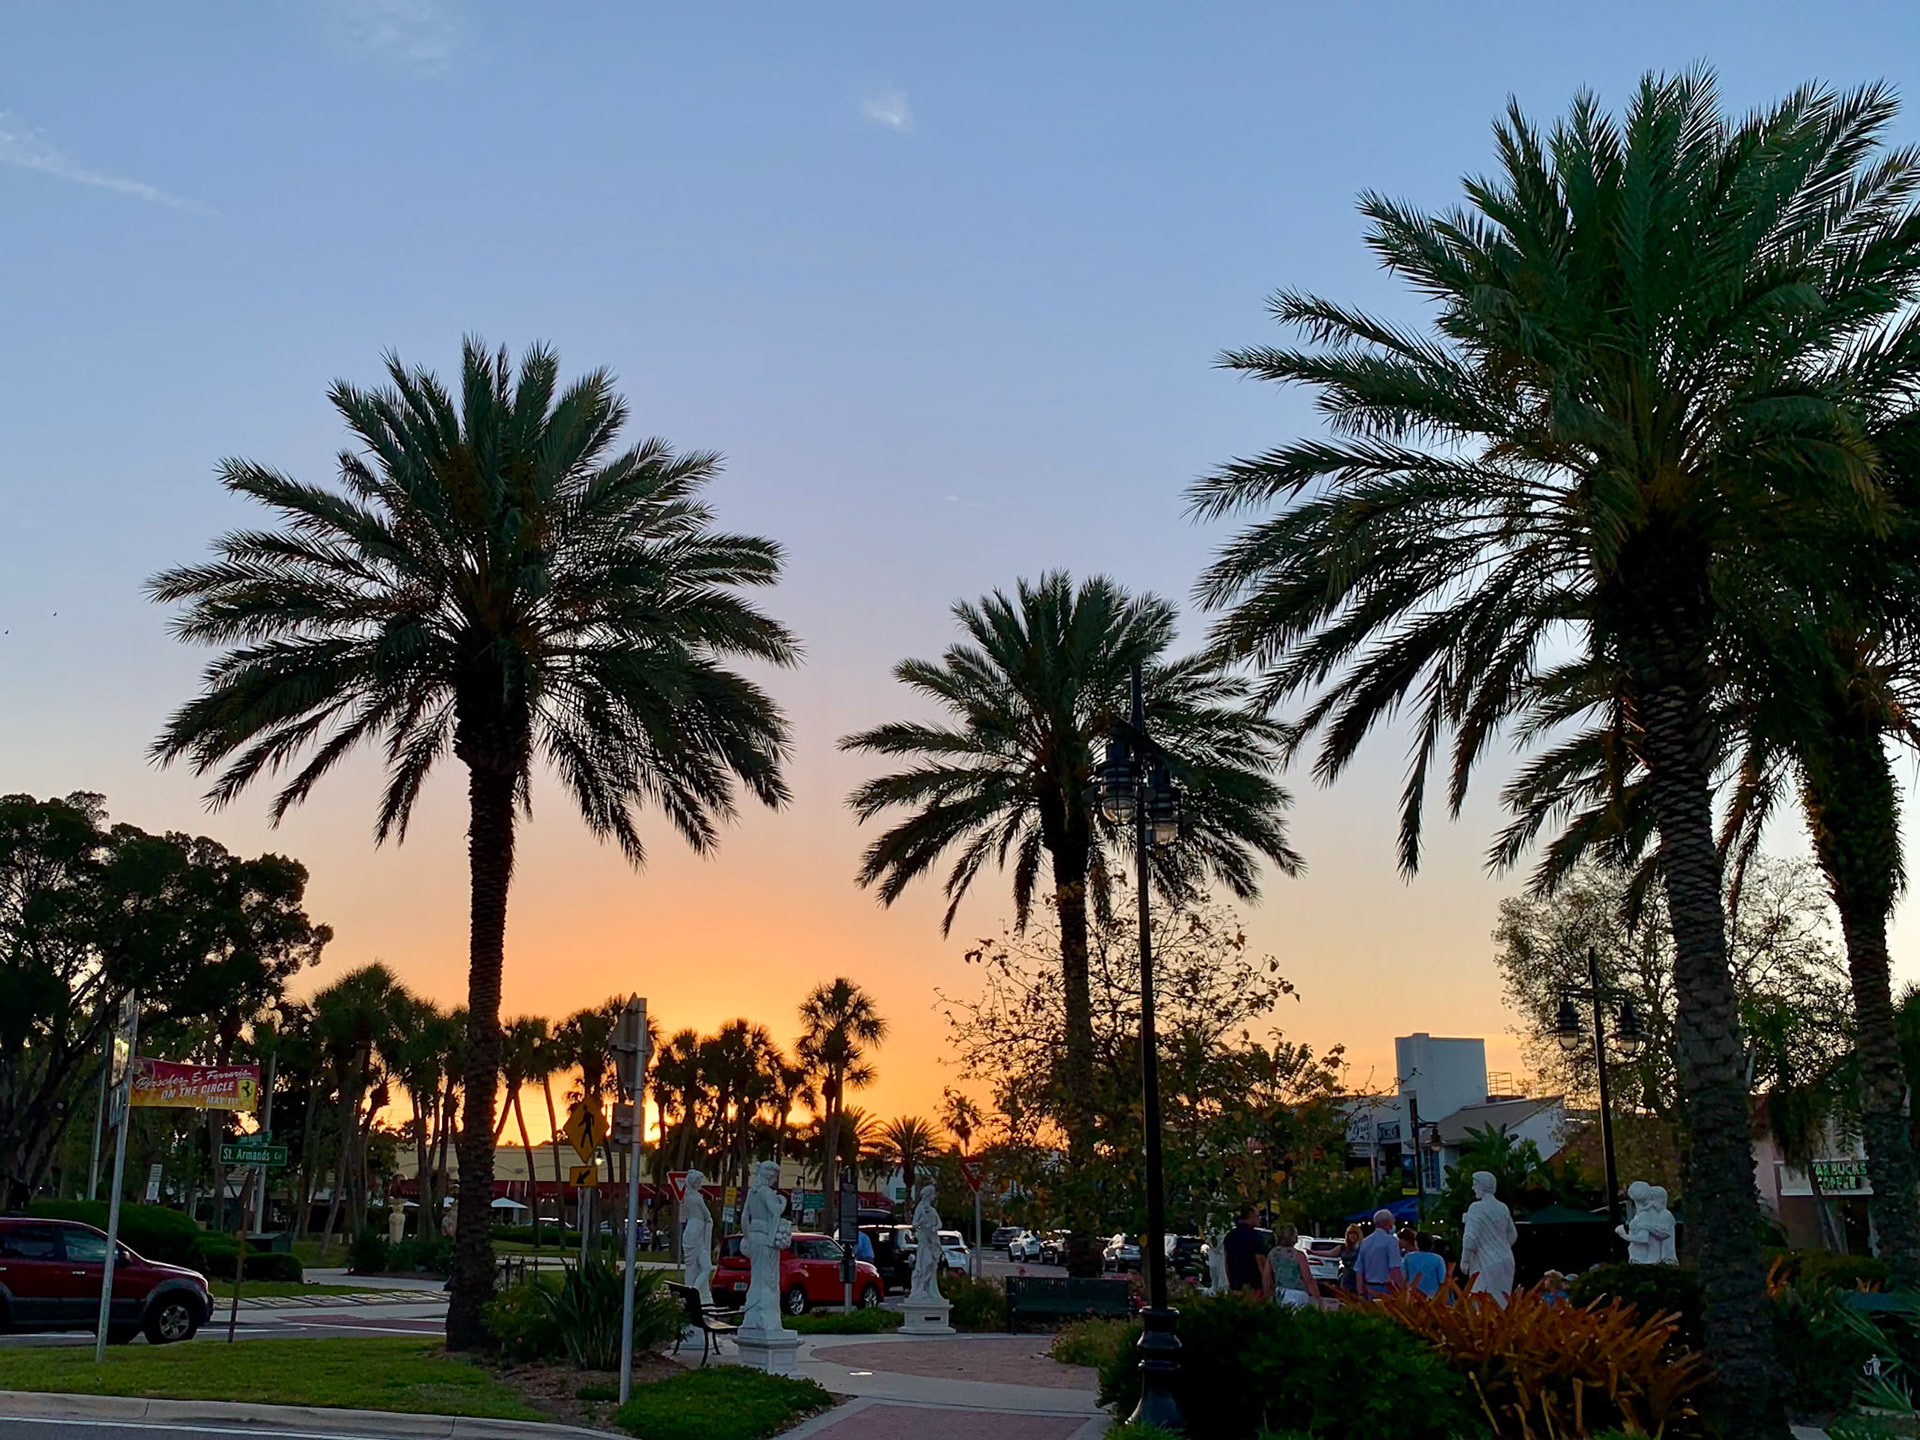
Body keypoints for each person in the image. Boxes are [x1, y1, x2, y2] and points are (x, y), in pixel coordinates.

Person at [1222, 1204, 1272, 1297]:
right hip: (1254, 1285)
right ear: (1251, 1217)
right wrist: (1267, 1285)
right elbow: (1261, 1262)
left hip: (1236, 1285)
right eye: (1257, 1216)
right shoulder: (1255, 1236)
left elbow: (1226, 1262)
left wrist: (1231, 1282)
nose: (1259, 1219)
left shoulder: (1230, 1236)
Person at [1353, 1208, 1404, 1298]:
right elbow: (1394, 1268)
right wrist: (1402, 1288)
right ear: (1387, 1223)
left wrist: (1360, 1292)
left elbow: (1359, 1270)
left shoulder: (1365, 1242)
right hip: (1387, 1288)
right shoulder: (1391, 1241)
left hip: (1369, 1288)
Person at [1267, 1224, 1319, 1307]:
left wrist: (1268, 1295)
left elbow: (1266, 1277)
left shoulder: (1272, 1254)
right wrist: (1318, 1298)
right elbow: (1308, 1278)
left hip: (1281, 1292)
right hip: (1298, 1293)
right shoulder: (1299, 1255)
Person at [1402, 1232, 1447, 1296]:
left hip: (1412, 1295)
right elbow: (1442, 1279)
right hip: (1433, 1297)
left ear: (1416, 1243)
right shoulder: (1438, 1259)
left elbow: (1403, 1276)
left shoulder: (1408, 1257)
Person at [1337, 1223, 1364, 1295]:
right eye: (1350, 1233)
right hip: (1347, 1277)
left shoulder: (1363, 1247)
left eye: (1354, 1233)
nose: (1352, 1236)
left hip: (1359, 1278)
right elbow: (1330, 1253)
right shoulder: (1344, 1247)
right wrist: (1313, 1252)